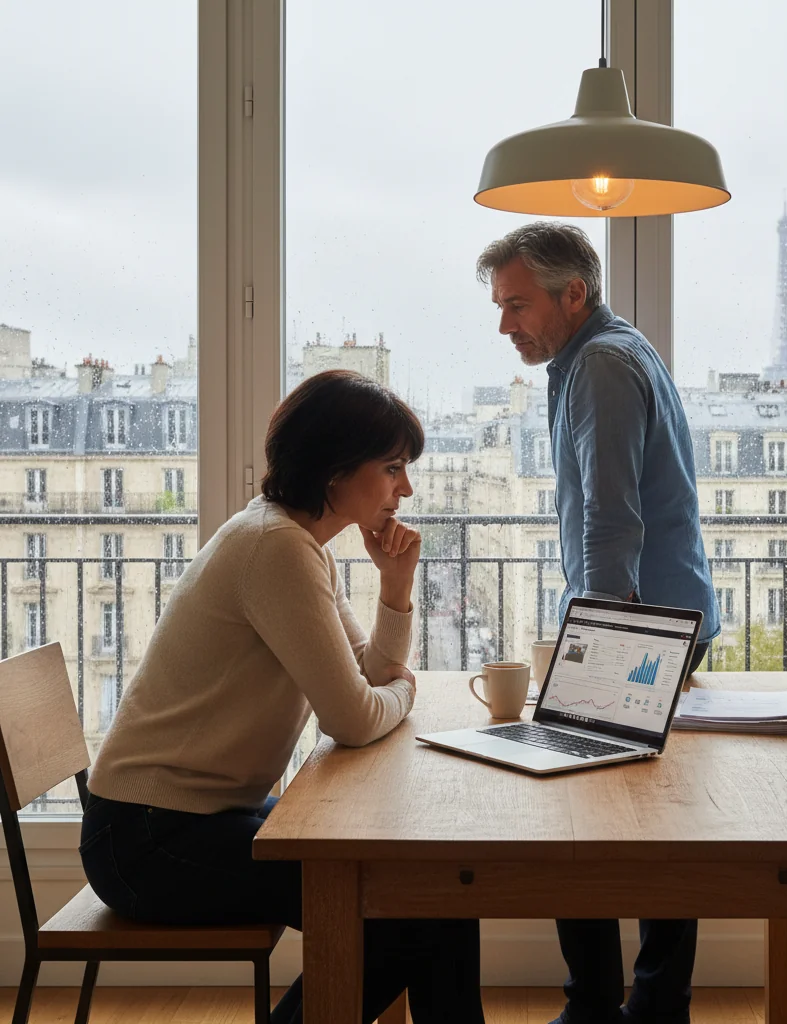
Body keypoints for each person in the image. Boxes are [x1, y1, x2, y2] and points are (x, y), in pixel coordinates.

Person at [79, 370, 486, 1024]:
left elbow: (372, 673)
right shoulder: (275, 549)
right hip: (145, 841)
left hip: (191, 817)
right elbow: (355, 717)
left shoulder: (294, 543)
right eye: (392, 467)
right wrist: (406, 693)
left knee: (426, 891)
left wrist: (396, 585)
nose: (404, 488)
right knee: (412, 911)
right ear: (335, 469)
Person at [477, 222, 720, 1024]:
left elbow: (611, 521)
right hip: (653, 616)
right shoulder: (606, 352)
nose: (505, 324)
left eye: (517, 305)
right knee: (653, 823)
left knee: (580, 818)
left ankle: (603, 1008)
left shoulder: (602, 367)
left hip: (636, 625)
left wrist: (596, 653)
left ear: (571, 293)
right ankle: (650, 1006)